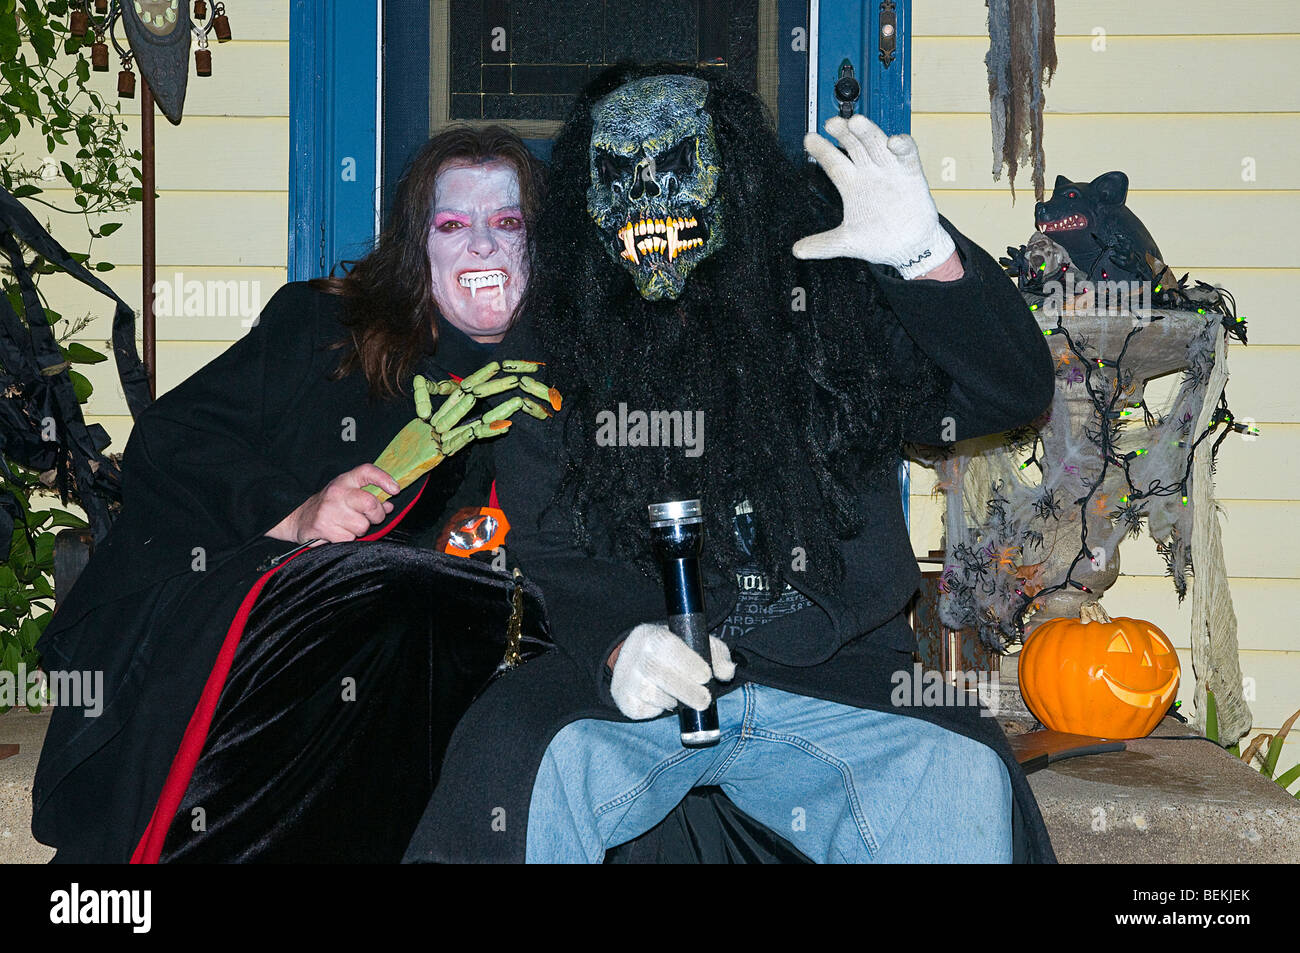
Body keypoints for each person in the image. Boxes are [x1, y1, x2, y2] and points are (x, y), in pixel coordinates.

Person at [404, 65, 1059, 864]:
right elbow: (549, 534)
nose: (650, 203)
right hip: (639, 678)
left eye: (675, 168)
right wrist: (617, 640)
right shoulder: (559, 330)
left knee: (958, 773)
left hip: (837, 674)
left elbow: (1007, 391)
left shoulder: (830, 290)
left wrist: (926, 259)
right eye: (621, 176)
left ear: (734, 183)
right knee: (511, 760)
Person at [31, 125, 545, 862]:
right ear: (416, 244)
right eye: (454, 224)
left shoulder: (562, 379)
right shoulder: (325, 329)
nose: (485, 246)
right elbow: (171, 437)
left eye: (508, 223)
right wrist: (294, 511)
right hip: (286, 634)